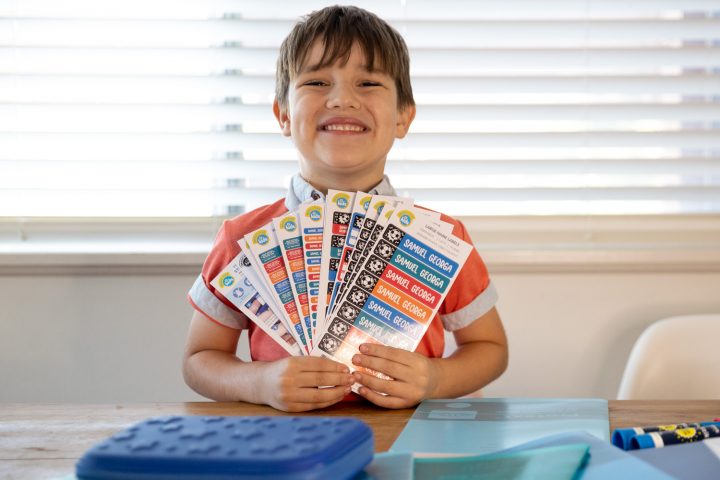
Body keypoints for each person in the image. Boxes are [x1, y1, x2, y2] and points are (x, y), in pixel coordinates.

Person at [184, 5, 508, 412]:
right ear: (283, 115)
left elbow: (490, 349)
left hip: (410, 441)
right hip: (287, 448)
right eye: (317, 81)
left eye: (368, 83)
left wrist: (435, 379)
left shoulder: (442, 238)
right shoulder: (242, 240)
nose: (342, 99)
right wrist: (259, 381)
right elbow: (199, 361)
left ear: (403, 118)